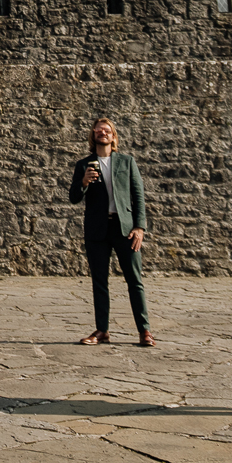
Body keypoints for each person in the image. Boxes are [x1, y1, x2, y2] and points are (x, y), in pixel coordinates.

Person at [68, 118, 153, 347]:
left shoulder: (127, 162)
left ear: (113, 136)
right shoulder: (84, 165)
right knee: (99, 281)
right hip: (97, 229)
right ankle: (102, 330)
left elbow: (138, 196)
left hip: (124, 228)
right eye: (98, 130)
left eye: (106, 130)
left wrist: (140, 227)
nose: (102, 133)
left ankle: (144, 331)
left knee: (135, 281)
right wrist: (84, 182)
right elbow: (74, 197)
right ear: (93, 136)